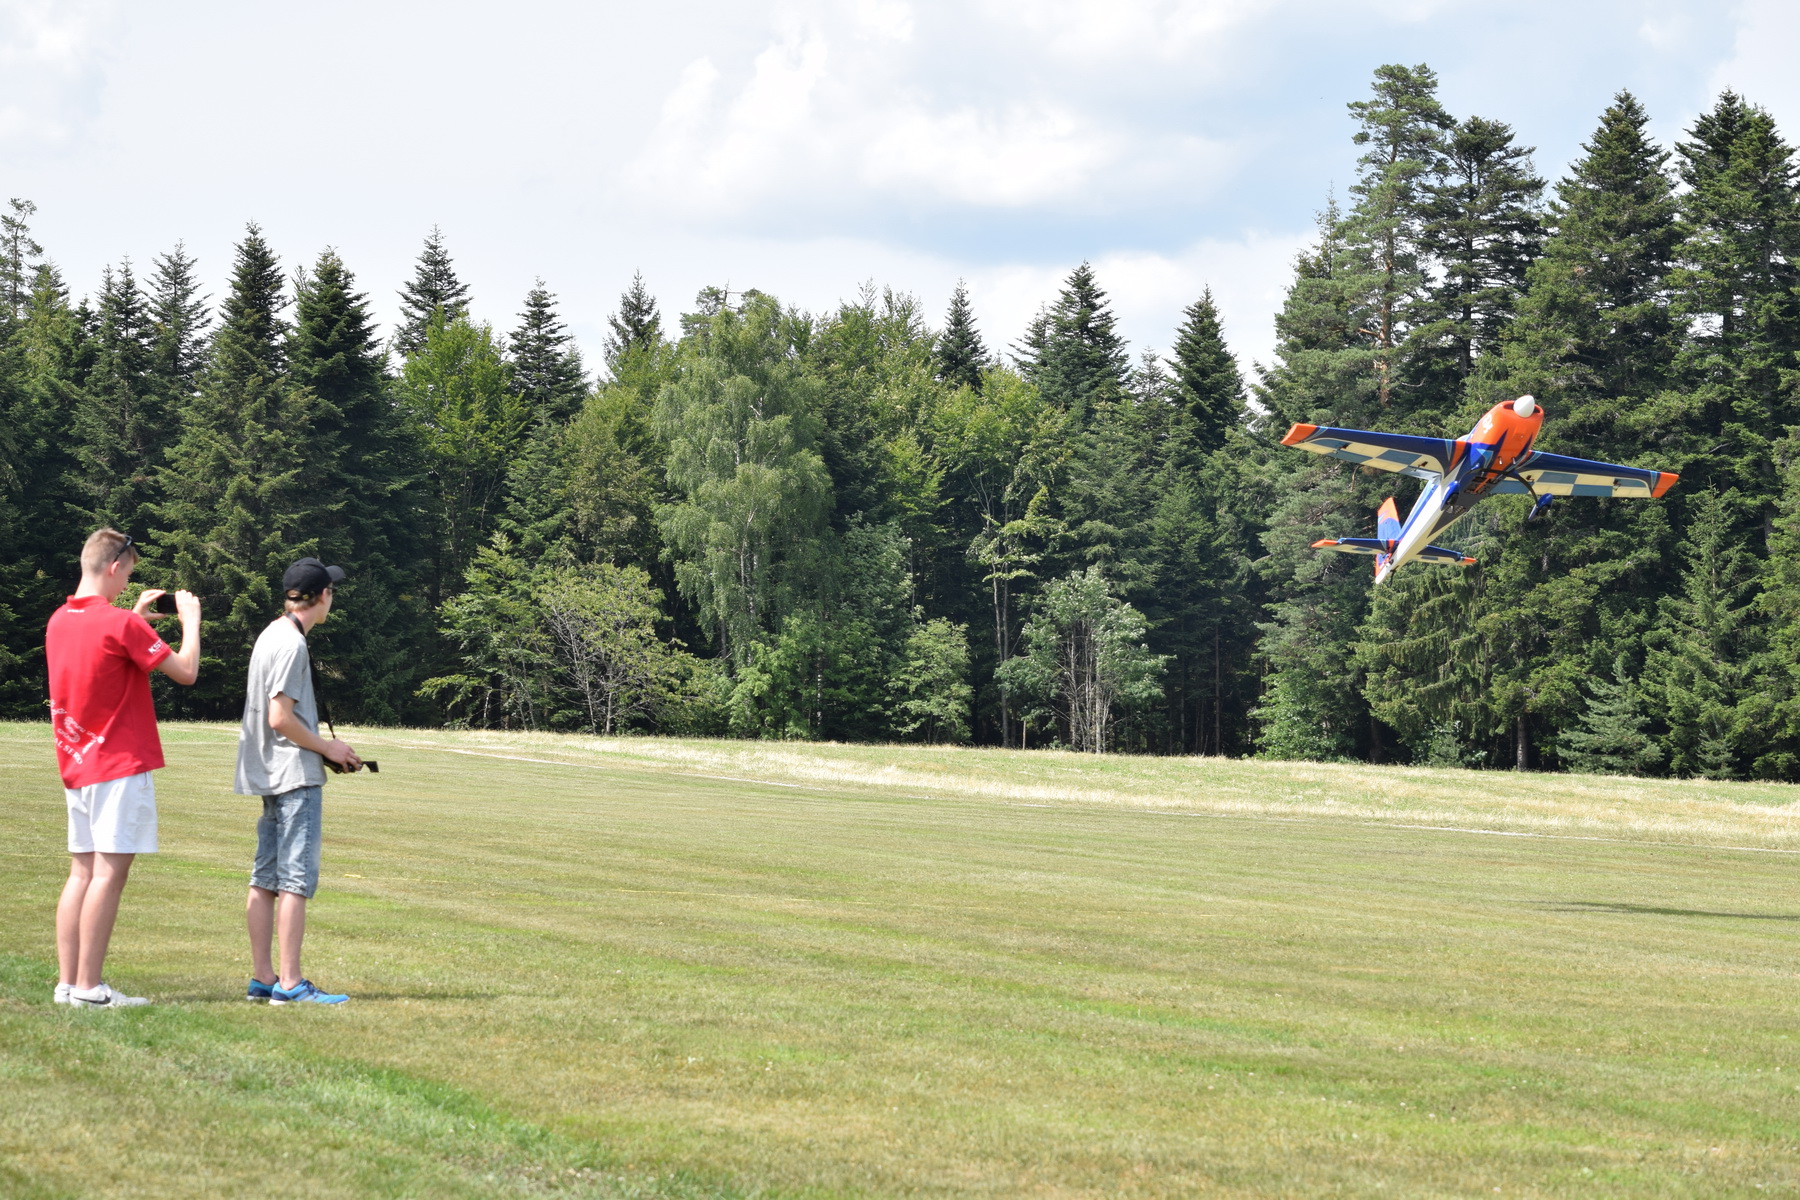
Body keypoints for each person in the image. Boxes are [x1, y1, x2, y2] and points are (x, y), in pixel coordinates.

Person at [46, 528, 201, 1008]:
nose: (127, 583)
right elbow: (186, 672)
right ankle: (90, 989)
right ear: (114, 567)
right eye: (128, 574)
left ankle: (68, 984)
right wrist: (191, 622)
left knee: (81, 872)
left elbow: (102, 652)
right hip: (118, 764)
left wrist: (134, 617)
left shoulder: (60, 619)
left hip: (77, 762)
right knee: (109, 875)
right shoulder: (121, 624)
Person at [235, 557, 361, 1005]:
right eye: (332, 591)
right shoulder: (292, 644)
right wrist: (328, 748)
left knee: (264, 877)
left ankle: (263, 978)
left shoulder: (271, 633)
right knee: (294, 880)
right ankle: (289, 984)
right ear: (323, 595)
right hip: (293, 777)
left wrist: (325, 748)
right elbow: (280, 717)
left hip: (269, 771)